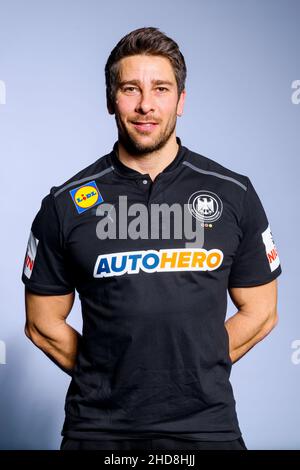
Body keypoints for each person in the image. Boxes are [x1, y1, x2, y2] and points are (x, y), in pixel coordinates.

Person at [22, 27, 281, 451]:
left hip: (207, 431)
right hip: (98, 433)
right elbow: (41, 323)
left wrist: (194, 369)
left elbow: (263, 311)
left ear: (181, 100)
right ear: (111, 100)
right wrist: (109, 375)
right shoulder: (64, 204)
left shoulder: (234, 193)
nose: (146, 104)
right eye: (130, 89)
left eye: (161, 88)